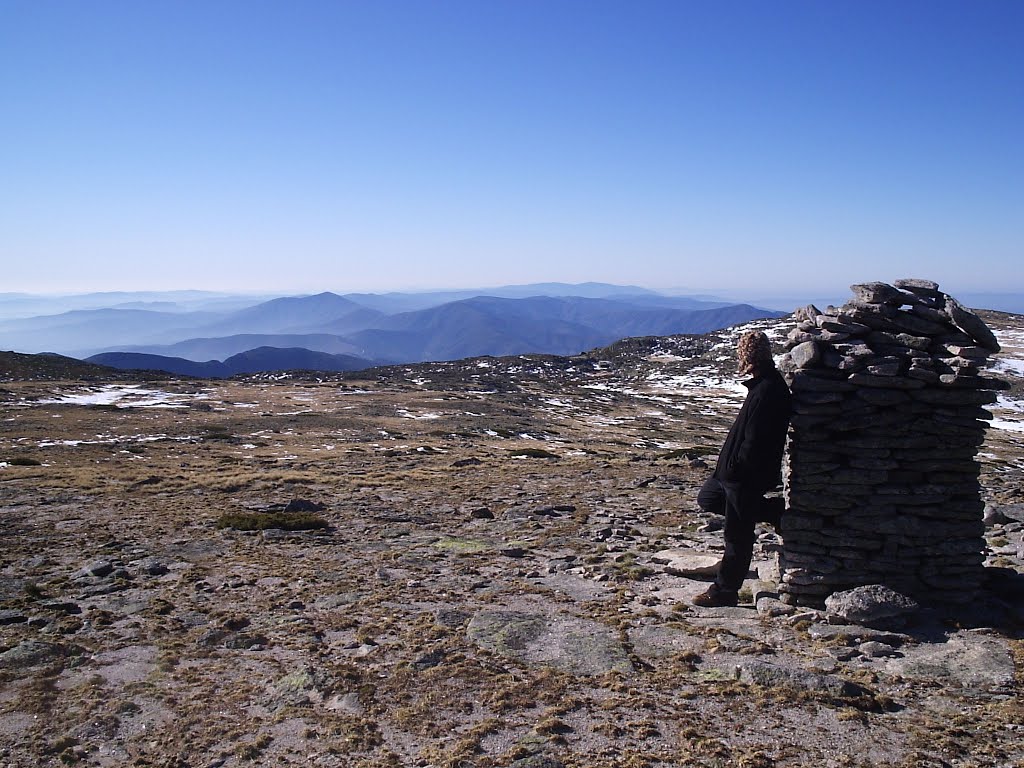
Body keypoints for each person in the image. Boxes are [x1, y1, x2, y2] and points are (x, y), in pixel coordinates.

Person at [692, 330, 792, 608]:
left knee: (737, 534)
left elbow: (757, 441)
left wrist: (736, 470)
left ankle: (725, 591)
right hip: (729, 474)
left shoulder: (769, 390)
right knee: (708, 499)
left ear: (750, 357)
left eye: (744, 354)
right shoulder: (762, 385)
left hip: (744, 477)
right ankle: (771, 511)